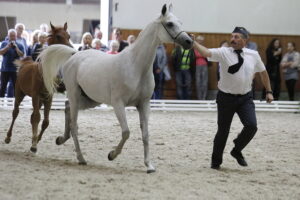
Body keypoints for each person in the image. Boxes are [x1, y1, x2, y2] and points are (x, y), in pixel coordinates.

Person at [193, 27, 274, 170]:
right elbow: (205, 52)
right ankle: (216, 161)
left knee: (251, 126)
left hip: (245, 98)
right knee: (223, 131)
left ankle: (236, 150)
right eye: (232, 36)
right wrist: (193, 42)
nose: (233, 39)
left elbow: (263, 73)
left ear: (245, 40)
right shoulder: (224, 52)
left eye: (237, 37)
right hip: (225, 98)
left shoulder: (253, 54)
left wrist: (269, 91)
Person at [0, 29, 25, 97]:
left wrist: (16, 48)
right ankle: (1, 103)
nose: (12, 37)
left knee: (16, 87)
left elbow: (22, 55)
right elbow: (1, 52)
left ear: (16, 36)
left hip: (15, 70)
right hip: (5, 69)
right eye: (11, 36)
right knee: (3, 87)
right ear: (8, 36)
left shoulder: (19, 45)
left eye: (14, 36)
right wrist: (7, 47)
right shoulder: (4, 43)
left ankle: (16, 103)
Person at [194, 35, 209, 100]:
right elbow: (196, 55)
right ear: (197, 41)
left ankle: (204, 98)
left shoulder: (204, 48)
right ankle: (200, 99)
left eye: (201, 41)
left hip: (204, 65)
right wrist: (202, 55)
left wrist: (202, 55)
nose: (200, 42)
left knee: (204, 83)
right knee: (198, 83)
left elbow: (206, 55)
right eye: (199, 40)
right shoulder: (195, 48)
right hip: (197, 66)